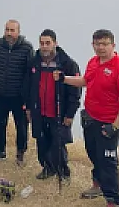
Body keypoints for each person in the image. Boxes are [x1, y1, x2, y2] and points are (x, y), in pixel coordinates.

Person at [56, 29, 119, 207]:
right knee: (92, 153)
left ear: (113, 46)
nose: (100, 48)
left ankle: (113, 201)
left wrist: (115, 126)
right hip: (91, 118)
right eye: (97, 44)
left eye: (105, 44)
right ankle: (97, 184)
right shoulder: (93, 62)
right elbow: (85, 81)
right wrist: (64, 79)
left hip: (109, 123)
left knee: (108, 161)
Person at [26, 29, 80, 181]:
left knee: (58, 144)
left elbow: (75, 92)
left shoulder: (68, 64)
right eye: (42, 43)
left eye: (48, 43)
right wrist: (28, 108)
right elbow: (28, 87)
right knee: (42, 142)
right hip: (39, 111)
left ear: (55, 43)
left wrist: (70, 114)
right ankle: (47, 168)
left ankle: (63, 172)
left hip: (58, 112)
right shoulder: (34, 62)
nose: (44, 46)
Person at [0, 19, 34, 165]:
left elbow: (30, 74)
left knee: (21, 126)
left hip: (18, 96)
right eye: (7, 29)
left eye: (12, 30)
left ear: (18, 32)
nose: (9, 33)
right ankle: (0, 151)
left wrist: (27, 96)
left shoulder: (27, 48)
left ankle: (20, 154)